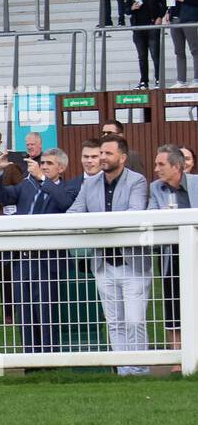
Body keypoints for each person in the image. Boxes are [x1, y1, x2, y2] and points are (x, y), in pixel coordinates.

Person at [67, 135, 149, 375]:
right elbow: (73, 213)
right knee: (115, 322)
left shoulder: (137, 181)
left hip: (133, 263)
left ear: (122, 157)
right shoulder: (90, 184)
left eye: (108, 153)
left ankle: (140, 369)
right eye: (101, 153)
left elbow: (133, 214)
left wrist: (95, 225)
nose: (102, 157)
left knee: (135, 321)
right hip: (103, 264)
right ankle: (124, 371)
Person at [0, 148, 74, 353]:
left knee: (46, 314)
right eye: (42, 162)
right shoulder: (26, 185)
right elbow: (3, 197)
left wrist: (43, 179)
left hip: (48, 262)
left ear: (61, 168)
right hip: (23, 261)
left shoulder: (68, 188)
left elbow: (64, 203)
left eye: (49, 164)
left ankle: (49, 361)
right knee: (24, 314)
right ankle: (29, 361)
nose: (43, 166)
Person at [148, 144, 198, 367]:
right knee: (173, 307)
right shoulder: (155, 188)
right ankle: (177, 359)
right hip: (171, 257)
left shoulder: (197, 184)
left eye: (161, 164)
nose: (156, 168)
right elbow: (149, 215)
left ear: (177, 166)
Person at [125, 0, 166, 89]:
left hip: (152, 24)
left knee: (155, 54)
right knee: (142, 56)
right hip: (138, 27)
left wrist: (160, 17)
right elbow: (126, 10)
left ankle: (159, 79)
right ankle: (144, 81)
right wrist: (132, 8)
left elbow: (164, 2)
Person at [167, 0, 198, 88]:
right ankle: (181, 80)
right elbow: (172, 0)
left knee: (195, 49)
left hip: (189, 18)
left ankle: (196, 79)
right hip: (175, 19)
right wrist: (168, 12)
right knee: (179, 51)